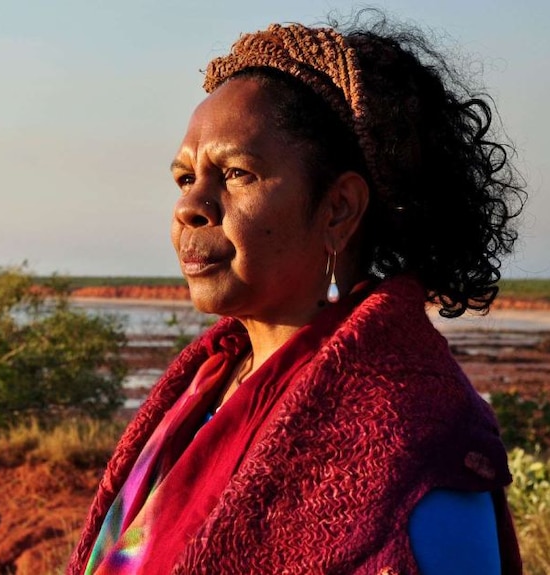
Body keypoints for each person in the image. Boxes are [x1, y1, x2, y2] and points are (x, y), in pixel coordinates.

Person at [68, 11, 526, 575]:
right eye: (186, 178)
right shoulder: (202, 388)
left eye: (236, 173)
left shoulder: (414, 439)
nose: (190, 206)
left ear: (338, 209)